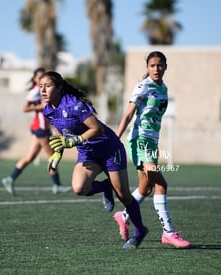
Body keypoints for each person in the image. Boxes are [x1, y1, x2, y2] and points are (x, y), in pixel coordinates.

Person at [40, 71, 148, 249]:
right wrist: (57, 153)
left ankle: (139, 231)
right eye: (41, 87)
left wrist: (74, 140)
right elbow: (59, 131)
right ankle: (105, 186)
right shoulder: (48, 109)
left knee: (124, 196)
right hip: (88, 153)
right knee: (79, 188)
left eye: (48, 86)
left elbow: (97, 128)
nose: (43, 90)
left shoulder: (74, 104)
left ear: (59, 88)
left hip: (109, 149)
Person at [113, 51, 191, 248]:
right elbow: (128, 116)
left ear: (166, 66)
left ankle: (123, 216)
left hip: (152, 144)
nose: (156, 69)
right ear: (147, 67)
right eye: (152, 65)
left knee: (145, 188)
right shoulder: (143, 86)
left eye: (160, 65)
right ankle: (168, 233)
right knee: (161, 184)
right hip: (139, 141)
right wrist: (115, 140)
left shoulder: (163, 88)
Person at [1, 67, 71, 195]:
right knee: (53, 156)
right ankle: (57, 185)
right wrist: (41, 106)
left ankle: (9, 179)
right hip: (41, 128)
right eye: (39, 77)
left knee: (30, 157)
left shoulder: (44, 90)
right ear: (34, 79)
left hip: (41, 127)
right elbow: (25, 108)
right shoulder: (35, 91)